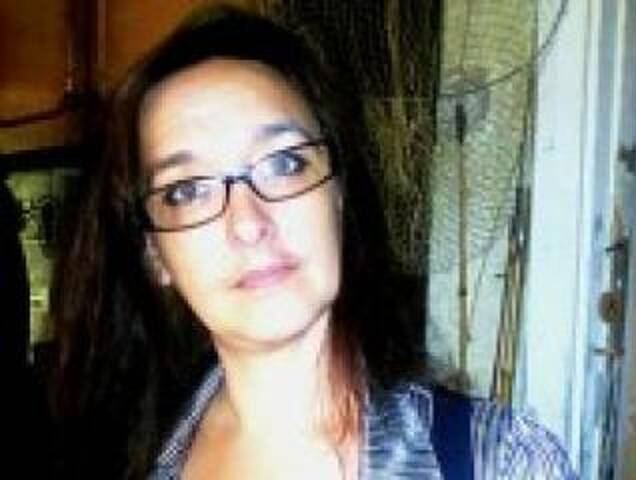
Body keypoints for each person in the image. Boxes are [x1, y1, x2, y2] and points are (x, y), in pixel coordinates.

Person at [49, 6, 577, 480]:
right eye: (187, 190)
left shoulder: (504, 462)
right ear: (154, 253)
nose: (248, 223)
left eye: (284, 163)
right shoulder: (123, 463)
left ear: (339, 193)